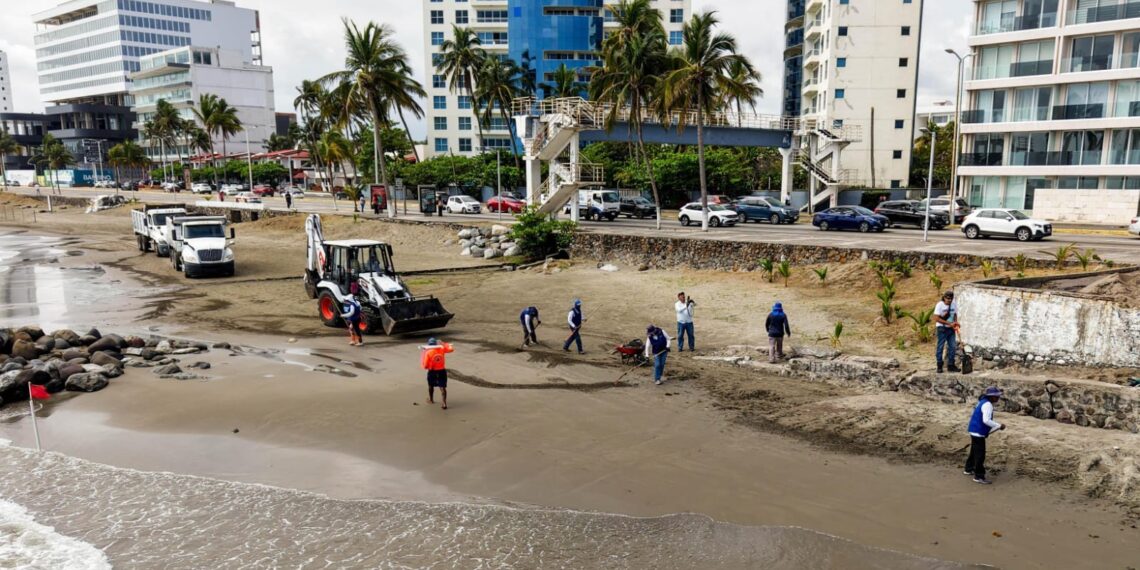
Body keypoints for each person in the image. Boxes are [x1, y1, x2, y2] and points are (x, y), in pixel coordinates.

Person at [965, 386, 1005, 485]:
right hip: (978, 431)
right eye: (996, 396)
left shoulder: (982, 401)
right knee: (980, 455)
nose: (998, 398)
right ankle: (979, 476)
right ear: (991, 397)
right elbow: (986, 420)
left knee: (974, 451)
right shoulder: (988, 405)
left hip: (973, 429)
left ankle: (968, 469)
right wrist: (998, 425)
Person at [420, 337, 454, 410]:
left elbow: (425, 365)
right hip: (442, 370)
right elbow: (451, 349)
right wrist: (443, 343)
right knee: (442, 387)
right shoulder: (441, 349)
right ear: (436, 344)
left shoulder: (428, 352)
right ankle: (444, 403)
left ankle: (431, 400)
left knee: (430, 385)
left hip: (432, 371)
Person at [934, 290, 960, 373]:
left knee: (952, 347)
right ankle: (939, 365)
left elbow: (955, 314)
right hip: (942, 328)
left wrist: (955, 322)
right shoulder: (939, 305)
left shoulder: (953, 304)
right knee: (940, 347)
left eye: (951, 298)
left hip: (951, 328)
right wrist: (949, 323)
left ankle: (951, 365)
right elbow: (936, 318)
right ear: (944, 298)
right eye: (948, 298)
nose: (949, 300)